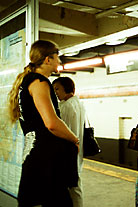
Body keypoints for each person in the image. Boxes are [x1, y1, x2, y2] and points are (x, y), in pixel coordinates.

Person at [8, 40, 79, 207]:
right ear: (48, 59)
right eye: (57, 58)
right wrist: (74, 138)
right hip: (46, 158)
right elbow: (51, 123)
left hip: (34, 155)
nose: (59, 62)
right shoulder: (39, 82)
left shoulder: (26, 82)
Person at [52, 77, 85, 207]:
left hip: (67, 151)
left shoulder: (66, 106)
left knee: (71, 187)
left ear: (67, 88)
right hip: (77, 151)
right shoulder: (78, 103)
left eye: (57, 89)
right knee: (76, 185)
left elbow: (61, 130)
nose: (55, 93)